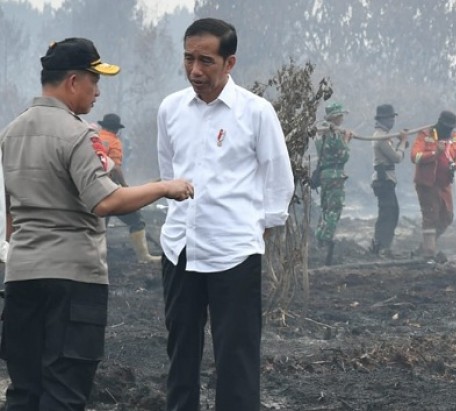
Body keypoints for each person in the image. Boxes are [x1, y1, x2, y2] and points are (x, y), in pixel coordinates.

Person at [0, 37, 193, 411]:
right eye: (94, 80)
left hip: (21, 279)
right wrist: (164, 187)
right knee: (63, 393)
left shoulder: (10, 134)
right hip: (72, 282)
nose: (98, 92)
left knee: (24, 392)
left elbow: (11, 217)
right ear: (73, 81)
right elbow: (105, 200)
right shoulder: (79, 134)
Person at [156, 18, 294, 411]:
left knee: (236, 356)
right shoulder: (171, 109)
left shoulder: (256, 112)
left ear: (229, 63)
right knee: (181, 350)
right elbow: (170, 174)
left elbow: (278, 181)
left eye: (206, 61)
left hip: (234, 252)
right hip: (180, 248)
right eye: (188, 59)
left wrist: (254, 233)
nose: (195, 71)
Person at [98, 113, 160, 263]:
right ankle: (144, 257)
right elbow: (116, 168)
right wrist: (125, 186)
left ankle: (95, 257)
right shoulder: (114, 142)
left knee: (100, 227)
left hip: (94, 190)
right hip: (111, 189)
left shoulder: (94, 138)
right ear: (116, 129)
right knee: (136, 220)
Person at [411, 110, 456, 261]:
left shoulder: (455, 138)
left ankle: (426, 244)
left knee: (447, 216)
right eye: (446, 127)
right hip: (427, 184)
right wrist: (435, 153)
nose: (449, 130)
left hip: (444, 184)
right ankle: (429, 252)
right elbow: (415, 156)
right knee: (431, 216)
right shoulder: (426, 135)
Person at [315, 102, 353, 265]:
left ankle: (320, 237)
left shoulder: (320, 133)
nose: (342, 118)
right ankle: (326, 241)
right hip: (335, 175)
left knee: (325, 207)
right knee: (334, 209)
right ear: (336, 117)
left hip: (325, 174)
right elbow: (343, 155)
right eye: (341, 115)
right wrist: (346, 140)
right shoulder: (333, 133)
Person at [370, 104, 407, 257]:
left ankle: (382, 246)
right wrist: (403, 143)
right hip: (383, 180)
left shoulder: (384, 135)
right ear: (383, 119)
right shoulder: (381, 137)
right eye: (390, 117)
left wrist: (399, 143)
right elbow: (396, 158)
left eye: (393, 117)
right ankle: (379, 247)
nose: (392, 120)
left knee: (392, 212)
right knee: (388, 213)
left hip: (386, 180)